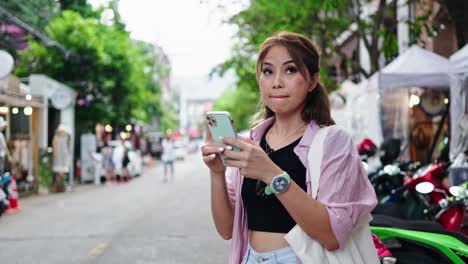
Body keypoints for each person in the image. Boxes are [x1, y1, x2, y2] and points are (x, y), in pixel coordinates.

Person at [201, 31, 377, 264]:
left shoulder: (333, 141)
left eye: (290, 70)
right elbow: (226, 230)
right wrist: (216, 173)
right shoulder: (251, 141)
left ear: (313, 80)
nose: (277, 82)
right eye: (268, 71)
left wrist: (270, 173)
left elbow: (332, 235)